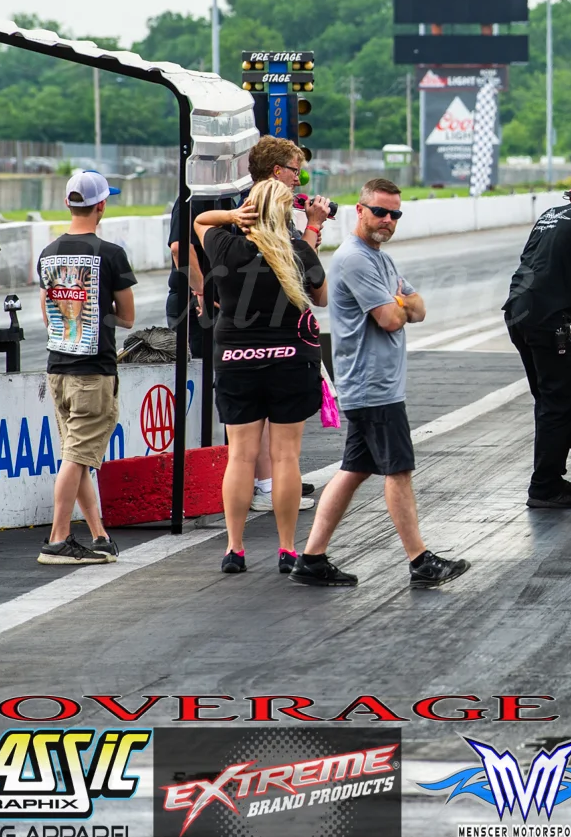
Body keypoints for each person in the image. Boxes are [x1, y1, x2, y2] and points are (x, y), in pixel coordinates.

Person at [292, 179, 469, 588]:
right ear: (360, 210)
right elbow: (390, 319)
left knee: (353, 470)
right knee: (399, 471)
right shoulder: (356, 259)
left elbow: (419, 309)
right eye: (380, 212)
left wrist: (400, 303)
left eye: (395, 214)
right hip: (372, 386)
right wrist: (398, 303)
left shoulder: (380, 259)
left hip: (374, 386)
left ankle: (312, 558)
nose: (387, 220)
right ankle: (420, 561)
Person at [169, 135, 331, 512]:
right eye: (295, 171)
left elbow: (293, 265)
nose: (299, 179)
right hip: (223, 317)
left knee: (249, 431)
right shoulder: (203, 193)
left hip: (240, 325)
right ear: (276, 172)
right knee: (258, 431)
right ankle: (266, 487)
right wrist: (202, 291)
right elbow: (181, 247)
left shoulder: (246, 208)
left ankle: (264, 489)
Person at [195, 178, 328, 574]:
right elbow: (320, 297)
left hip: (236, 359)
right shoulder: (299, 251)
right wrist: (313, 229)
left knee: (240, 456)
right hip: (292, 361)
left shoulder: (225, 246)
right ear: (286, 214)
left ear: (250, 209)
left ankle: (234, 549)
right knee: (285, 456)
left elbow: (200, 220)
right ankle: (287, 549)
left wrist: (233, 216)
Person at [35, 172, 135, 565]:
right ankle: (58, 539)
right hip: (93, 371)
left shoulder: (48, 252)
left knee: (76, 455)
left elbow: (47, 314)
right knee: (77, 458)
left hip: (57, 366)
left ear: (67, 203)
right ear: (102, 205)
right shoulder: (111, 253)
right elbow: (127, 317)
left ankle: (99, 535)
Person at [503, 168, 571, 509]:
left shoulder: (550, 214)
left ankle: (551, 477)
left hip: (517, 313)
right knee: (562, 402)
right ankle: (544, 488)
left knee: (547, 400)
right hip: (547, 318)